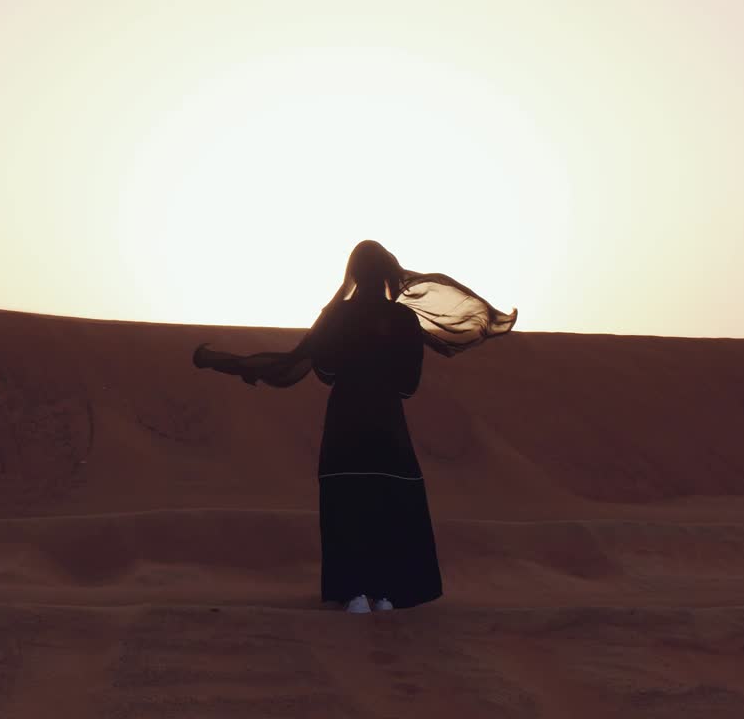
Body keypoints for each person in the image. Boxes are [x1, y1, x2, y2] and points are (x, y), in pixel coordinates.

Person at [193, 240, 516, 613]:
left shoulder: (336, 316)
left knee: (348, 504)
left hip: (345, 424)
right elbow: (408, 385)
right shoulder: (404, 320)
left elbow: (325, 372)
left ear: (353, 274)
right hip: (387, 426)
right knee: (389, 504)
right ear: (387, 275)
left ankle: (354, 593)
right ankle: (388, 593)